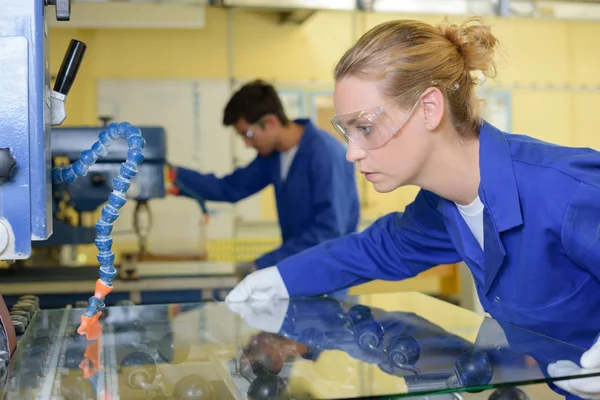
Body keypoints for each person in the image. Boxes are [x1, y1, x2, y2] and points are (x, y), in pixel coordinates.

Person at [225, 18, 600, 399]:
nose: (352, 152)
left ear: (429, 109)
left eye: (365, 128)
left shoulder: (566, 189)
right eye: (346, 133)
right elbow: (373, 250)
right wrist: (277, 279)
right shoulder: (442, 208)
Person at [168, 79, 360, 276]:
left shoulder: (325, 154)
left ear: (270, 122)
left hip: (329, 275)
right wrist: (173, 176)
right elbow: (230, 188)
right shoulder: (273, 157)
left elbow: (329, 232)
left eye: (248, 134)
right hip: (297, 270)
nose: (247, 144)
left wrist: (264, 265)